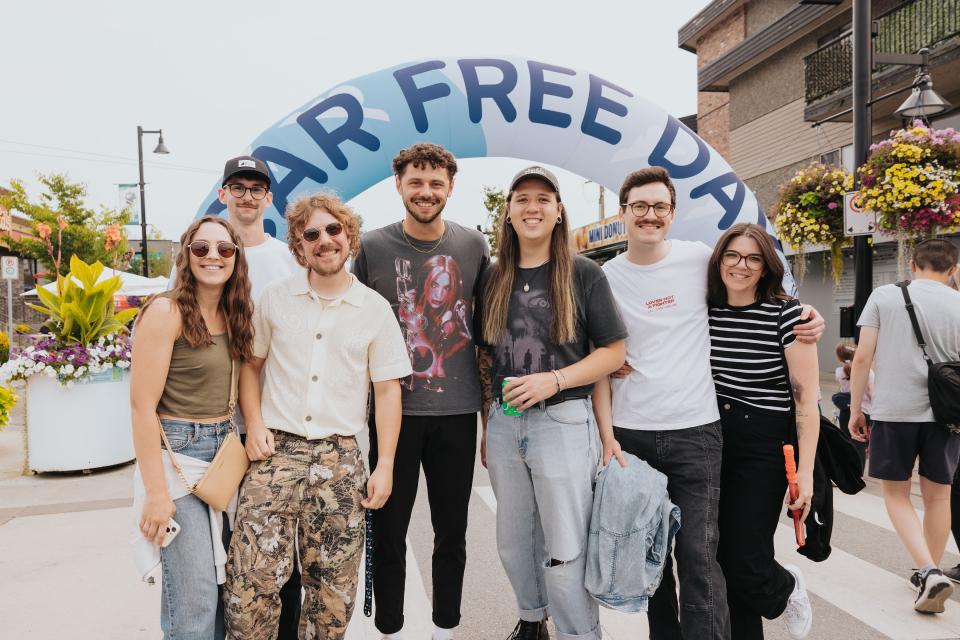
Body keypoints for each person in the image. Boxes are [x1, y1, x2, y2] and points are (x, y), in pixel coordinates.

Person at [593, 167, 824, 640]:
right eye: (639, 206)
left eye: (660, 207)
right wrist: (606, 436)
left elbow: (754, 287)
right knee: (650, 562)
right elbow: (597, 357)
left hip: (698, 431)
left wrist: (806, 316)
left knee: (701, 559)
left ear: (673, 214)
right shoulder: (603, 277)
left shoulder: (700, 259)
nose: (650, 215)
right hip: (632, 434)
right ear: (623, 214)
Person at [223, 193, 411, 638]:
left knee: (332, 597)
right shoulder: (274, 298)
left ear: (349, 237)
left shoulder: (374, 309)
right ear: (298, 246)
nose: (324, 240)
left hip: (340, 459)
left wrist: (384, 467)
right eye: (312, 234)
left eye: (333, 230)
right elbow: (250, 365)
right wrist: (254, 426)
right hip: (275, 455)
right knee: (251, 585)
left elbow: (387, 392)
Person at [476, 165, 627, 640]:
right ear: (509, 212)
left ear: (559, 211)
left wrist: (555, 381)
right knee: (514, 541)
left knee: (564, 543)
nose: (533, 207)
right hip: (504, 424)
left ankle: (579, 633)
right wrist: (488, 423)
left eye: (544, 199)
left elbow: (613, 353)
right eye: (522, 198)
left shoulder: (584, 273)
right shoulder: (493, 277)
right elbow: (486, 358)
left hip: (561, 420)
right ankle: (530, 619)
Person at [352, 143, 489, 640]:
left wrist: (489, 422)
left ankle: (444, 628)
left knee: (451, 532)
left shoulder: (474, 245)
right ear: (399, 185)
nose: (426, 192)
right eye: (416, 182)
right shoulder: (370, 247)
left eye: (436, 183)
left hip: (457, 411)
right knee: (388, 530)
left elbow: (488, 333)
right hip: (393, 416)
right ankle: (390, 628)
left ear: (450, 187)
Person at [170, 155, 304, 636]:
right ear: (222, 193)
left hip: (277, 428)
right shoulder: (202, 254)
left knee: (280, 552)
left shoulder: (290, 258)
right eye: (237, 186)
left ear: (269, 198)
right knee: (219, 555)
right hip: (214, 432)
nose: (247, 195)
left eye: (256, 188)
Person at [131, 216, 255, 640]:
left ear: (236, 257)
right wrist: (156, 494)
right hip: (178, 454)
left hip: (224, 453)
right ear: (186, 255)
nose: (213, 256)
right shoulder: (166, 311)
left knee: (224, 591)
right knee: (194, 597)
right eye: (201, 248)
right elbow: (141, 407)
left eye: (223, 249)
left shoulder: (234, 312)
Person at [707, 223, 818, 639]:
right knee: (717, 556)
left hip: (764, 444)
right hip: (712, 437)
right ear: (719, 260)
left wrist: (804, 472)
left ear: (766, 266)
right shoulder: (705, 309)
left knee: (745, 556)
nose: (742, 265)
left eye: (754, 258)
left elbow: (807, 402)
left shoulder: (788, 314)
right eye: (733, 255)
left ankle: (785, 586)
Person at [849, 238, 960, 613]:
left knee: (896, 495)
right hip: (947, 416)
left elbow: (862, 356)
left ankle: (928, 570)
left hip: (894, 411)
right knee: (939, 497)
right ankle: (929, 570)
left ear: (911, 265)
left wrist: (855, 408)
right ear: (953, 269)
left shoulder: (884, 295)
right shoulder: (959, 303)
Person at [834, 342, 872, 467]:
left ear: (839, 357)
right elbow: (872, 393)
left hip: (846, 410)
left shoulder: (839, 372)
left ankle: (846, 468)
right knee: (860, 442)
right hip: (864, 411)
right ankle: (858, 471)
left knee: (846, 439)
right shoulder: (868, 372)